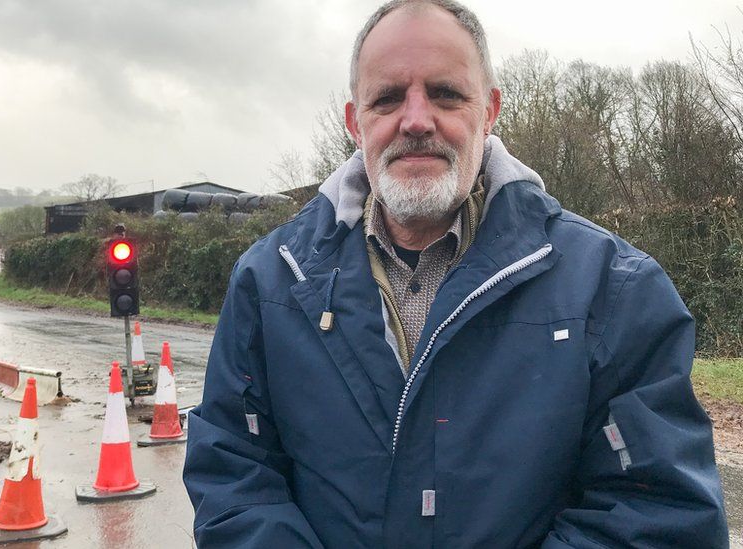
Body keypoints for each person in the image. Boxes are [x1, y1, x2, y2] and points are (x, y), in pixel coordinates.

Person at [183, 1, 729, 547]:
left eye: (445, 93)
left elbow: (658, 512)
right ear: (355, 122)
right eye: (388, 97)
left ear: (489, 110)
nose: (417, 120)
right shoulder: (269, 282)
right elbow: (234, 475)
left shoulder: (615, 289)